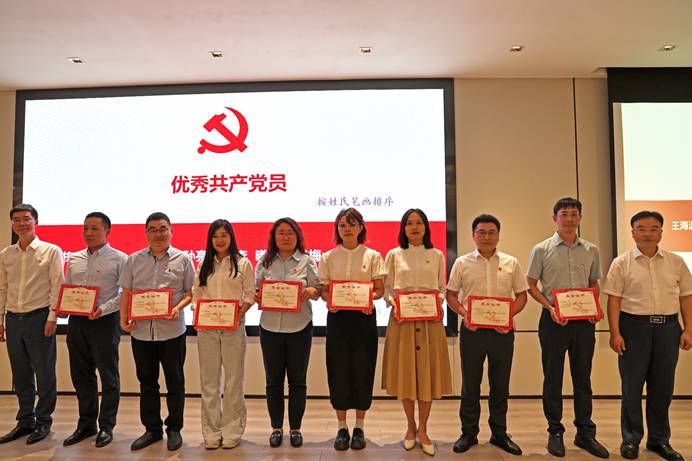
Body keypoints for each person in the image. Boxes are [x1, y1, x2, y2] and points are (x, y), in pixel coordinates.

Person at [604, 211, 692, 461]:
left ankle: (659, 440)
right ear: (632, 232)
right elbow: (614, 300)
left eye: (654, 229)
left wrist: (688, 329)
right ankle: (631, 439)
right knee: (632, 386)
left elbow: (686, 297)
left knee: (663, 387)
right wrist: (615, 333)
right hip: (634, 328)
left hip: (668, 328)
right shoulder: (621, 262)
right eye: (641, 228)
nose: (647, 233)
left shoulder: (676, 262)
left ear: (661, 232)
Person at [527, 197, 609, 458]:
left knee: (583, 377)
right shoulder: (541, 249)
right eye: (564, 214)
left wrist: (595, 307)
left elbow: (593, 283)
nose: (569, 219)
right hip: (553, 321)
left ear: (580, 218)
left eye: (574, 214)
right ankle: (555, 431)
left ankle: (585, 433)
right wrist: (549, 307)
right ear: (555, 218)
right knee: (553, 377)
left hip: (583, 322)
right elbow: (531, 285)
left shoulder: (591, 250)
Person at [446, 214, 528, 456]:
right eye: (481, 232)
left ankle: (499, 433)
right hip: (472, 332)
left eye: (492, 232)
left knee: (500, 384)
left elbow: (522, 295)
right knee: (470, 384)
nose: (487, 237)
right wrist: (465, 314)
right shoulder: (462, 263)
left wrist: (508, 316)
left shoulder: (511, 262)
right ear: (473, 236)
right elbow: (451, 295)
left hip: (502, 332)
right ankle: (468, 433)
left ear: (498, 236)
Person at [119, 212, 195, 451]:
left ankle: (174, 429)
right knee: (147, 382)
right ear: (146, 233)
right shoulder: (133, 260)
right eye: (153, 229)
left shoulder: (183, 259)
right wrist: (123, 319)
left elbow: (191, 292)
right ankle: (152, 429)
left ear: (171, 231)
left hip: (172, 332)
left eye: (163, 229)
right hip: (141, 332)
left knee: (175, 382)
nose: (158, 234)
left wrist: (177, 308)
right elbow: (127, 292)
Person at [381, 208, 452, 456]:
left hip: (430, 321)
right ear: (403, 228)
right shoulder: (394, 255)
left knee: (426, 375)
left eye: (419, 222)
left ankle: (423, 430)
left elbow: (442, 288)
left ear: (426, 227)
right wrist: (395, 305)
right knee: (407, 374)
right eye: (409, 223)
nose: (414, 227)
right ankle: (410, 427)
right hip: (402, 321)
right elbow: (387, 289)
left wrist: (437, 303)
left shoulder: (437, 254)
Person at [318, 208, 385, 451]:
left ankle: (359, 427)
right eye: (342, 225)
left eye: (352, 224)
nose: (347, 229)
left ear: (360, 228)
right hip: (338, 319)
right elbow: (324, 290)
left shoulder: (373, 256)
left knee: (363, 369)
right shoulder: (328, 257)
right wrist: (329, 300)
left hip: (364, 319)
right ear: (337, 229)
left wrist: (368, 299)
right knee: (338, 371)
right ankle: (341, 427)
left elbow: (379, 290)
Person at [0, 204, 64, 445]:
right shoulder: (6, 254)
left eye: (26, 219)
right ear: (12, 224)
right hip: (13, 319)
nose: (21, 223)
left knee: (44, 372)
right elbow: (2, 288)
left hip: (39, 318)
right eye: (16, 219)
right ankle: (25, 420)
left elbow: (57, 285)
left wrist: (52, 317)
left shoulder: (51, 250)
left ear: (36, 221)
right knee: (21, 373)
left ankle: (43, 420)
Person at [62, 212, 127, 448]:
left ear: (107, 231)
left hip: (105, 321)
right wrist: (63, 306)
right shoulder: (75, 258)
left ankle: (106, 426)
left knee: (108, 375)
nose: (88, 233)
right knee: (81, 374)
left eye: (94, 228)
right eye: (85, 228)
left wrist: (103, 309)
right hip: (77, 322)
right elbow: (68, 287)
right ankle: (86, 424)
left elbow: (124, 293)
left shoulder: (120, 258)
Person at [255, 217, 320, 448]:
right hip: (270, 327)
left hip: (299, 327)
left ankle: (295, 429)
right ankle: (276, 428)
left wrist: (310, 291)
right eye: (281, 233)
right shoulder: (264, 261)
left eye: (290, 233)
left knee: (297, 381)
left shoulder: (307, 261)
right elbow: (255, 290)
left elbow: (318, 289)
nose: (285, 237)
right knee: (273, 381)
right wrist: (258, 295)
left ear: (297, 236)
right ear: (274, 237)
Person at [192, 219, 254, 450]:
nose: (220, 240)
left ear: (231, 237)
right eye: (215, 236)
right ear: (210, 239)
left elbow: (249, 296)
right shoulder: (203, 264)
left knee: (233, 382)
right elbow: (196, 294)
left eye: (224, 235)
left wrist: (236, 315)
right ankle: (211, 432)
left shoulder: (243, 263)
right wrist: (201, 315)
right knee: (209, 383)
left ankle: (231, 430)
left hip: (233, 329)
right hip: (206, 330)